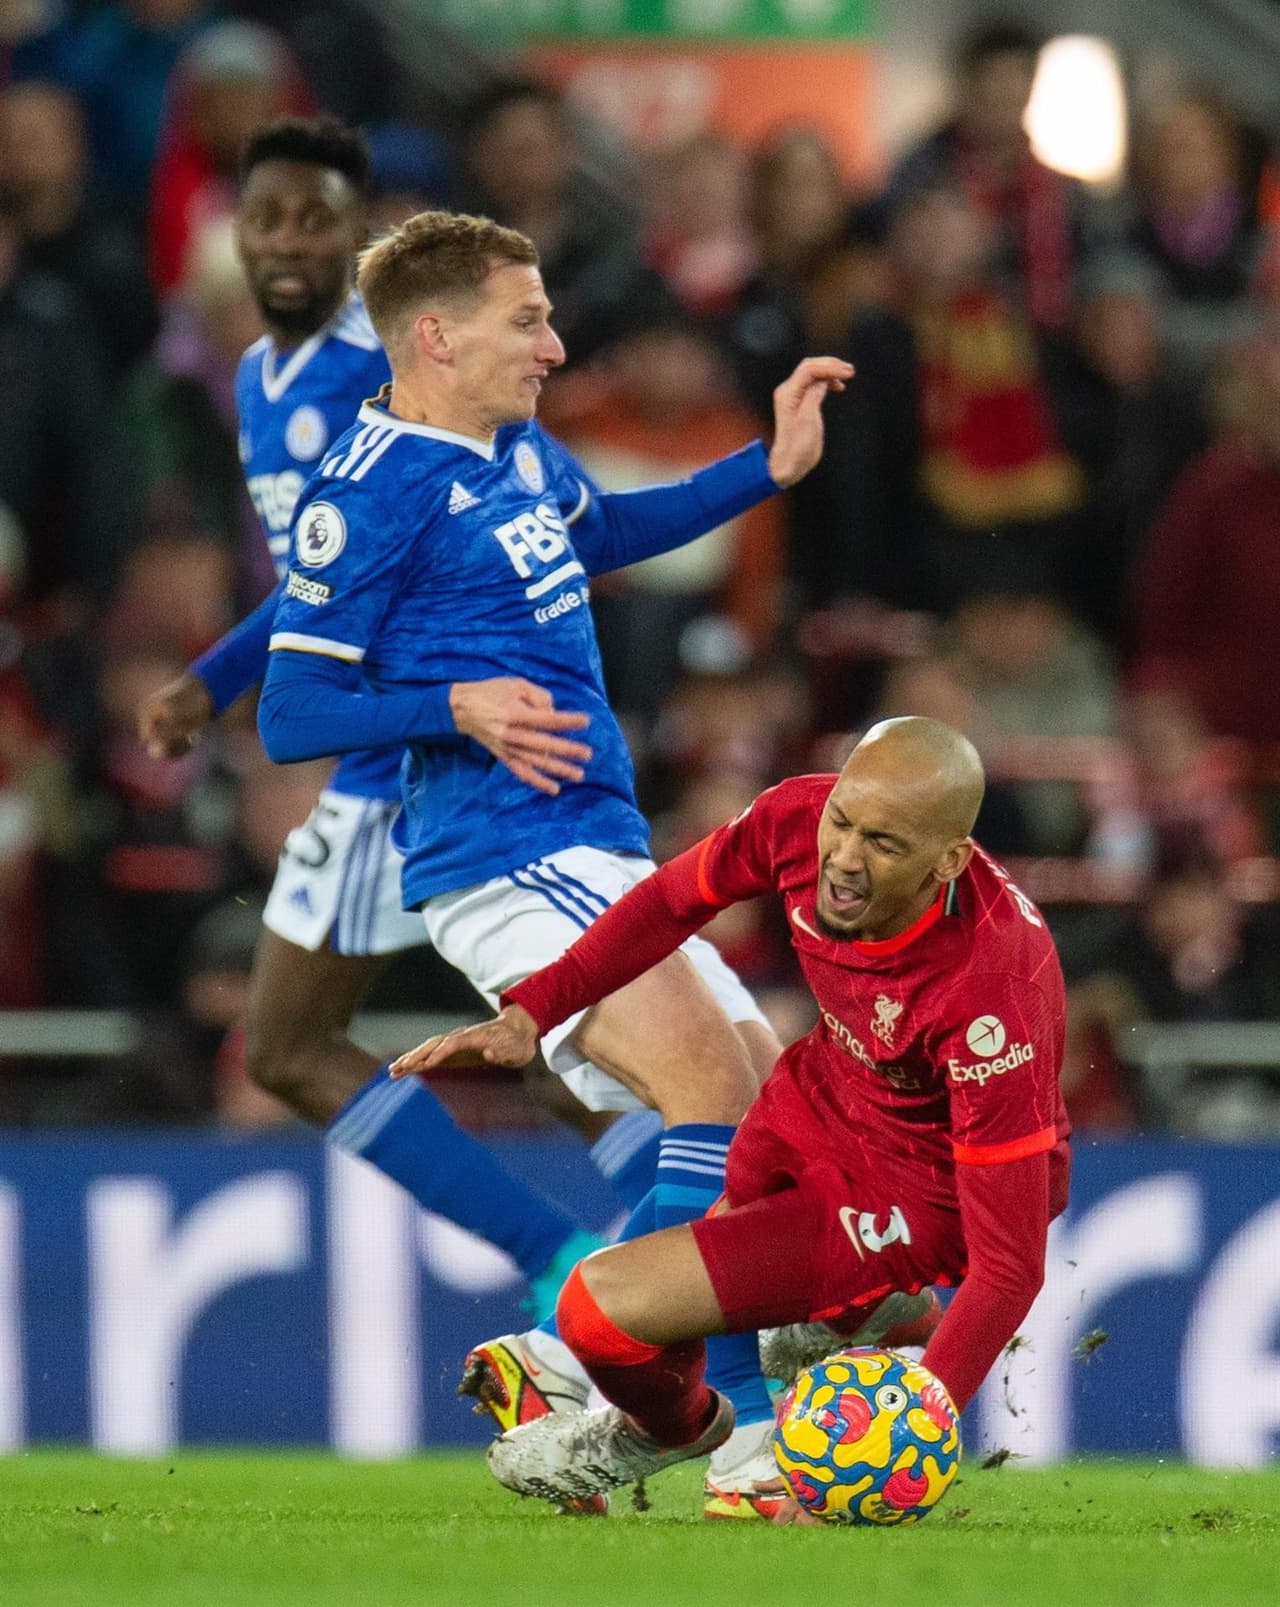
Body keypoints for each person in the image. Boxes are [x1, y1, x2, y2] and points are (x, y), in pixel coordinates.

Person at [256, 205, 851, 1516]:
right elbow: (289, 712)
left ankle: (622, 1397)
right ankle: (689, 1412)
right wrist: (450, 708)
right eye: (526, 319)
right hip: (498, 851)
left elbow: (606, 533)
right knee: (711, 1082)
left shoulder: (512, 447)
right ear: (436, 332)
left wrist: (769, 465)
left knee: (758, 1100)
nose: (555, 341)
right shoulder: (362, 495)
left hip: (588, 839)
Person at [136, 117, 606, 1321]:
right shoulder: (257, 376)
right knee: (546, 1036)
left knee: (296, 1043)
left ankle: (593, 1257)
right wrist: (212, 675)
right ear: (234, 232)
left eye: (316, 218)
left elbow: (486, 528)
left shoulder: (383, 370)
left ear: (362, 242)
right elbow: (320, 587)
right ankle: (670, 1233)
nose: (288, 239)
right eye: (267, 217)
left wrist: (219, 678)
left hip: (409, 759)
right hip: (411, 742)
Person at [392, 717, 1070, 1518]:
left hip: (915, 1190)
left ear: (949, 860)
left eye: (884, 845)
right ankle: (697, 1418)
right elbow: (669, 901)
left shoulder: (997, 991)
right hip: (816, 1099)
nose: (844, 860)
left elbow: (1009, 1267)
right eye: (843, 822)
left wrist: (915, 1435)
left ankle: (706, 1426)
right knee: (719, 1227)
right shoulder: (796, 819)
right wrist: (532, 1012)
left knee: (592, 1312)